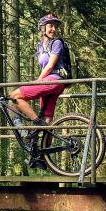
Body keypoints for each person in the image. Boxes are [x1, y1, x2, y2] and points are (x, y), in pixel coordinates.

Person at [10, 13, 70, 168]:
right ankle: (43, 158)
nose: (53, 29)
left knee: (15, 95)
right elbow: (44, 65)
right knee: (48, 118)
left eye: (55, 26)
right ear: (42, 28)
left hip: (54, 80)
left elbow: (50, 66)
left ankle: (37, 123)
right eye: (50, 26)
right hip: (50, 83)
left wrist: (37, 82)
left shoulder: (56, 43)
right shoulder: (39, 46)